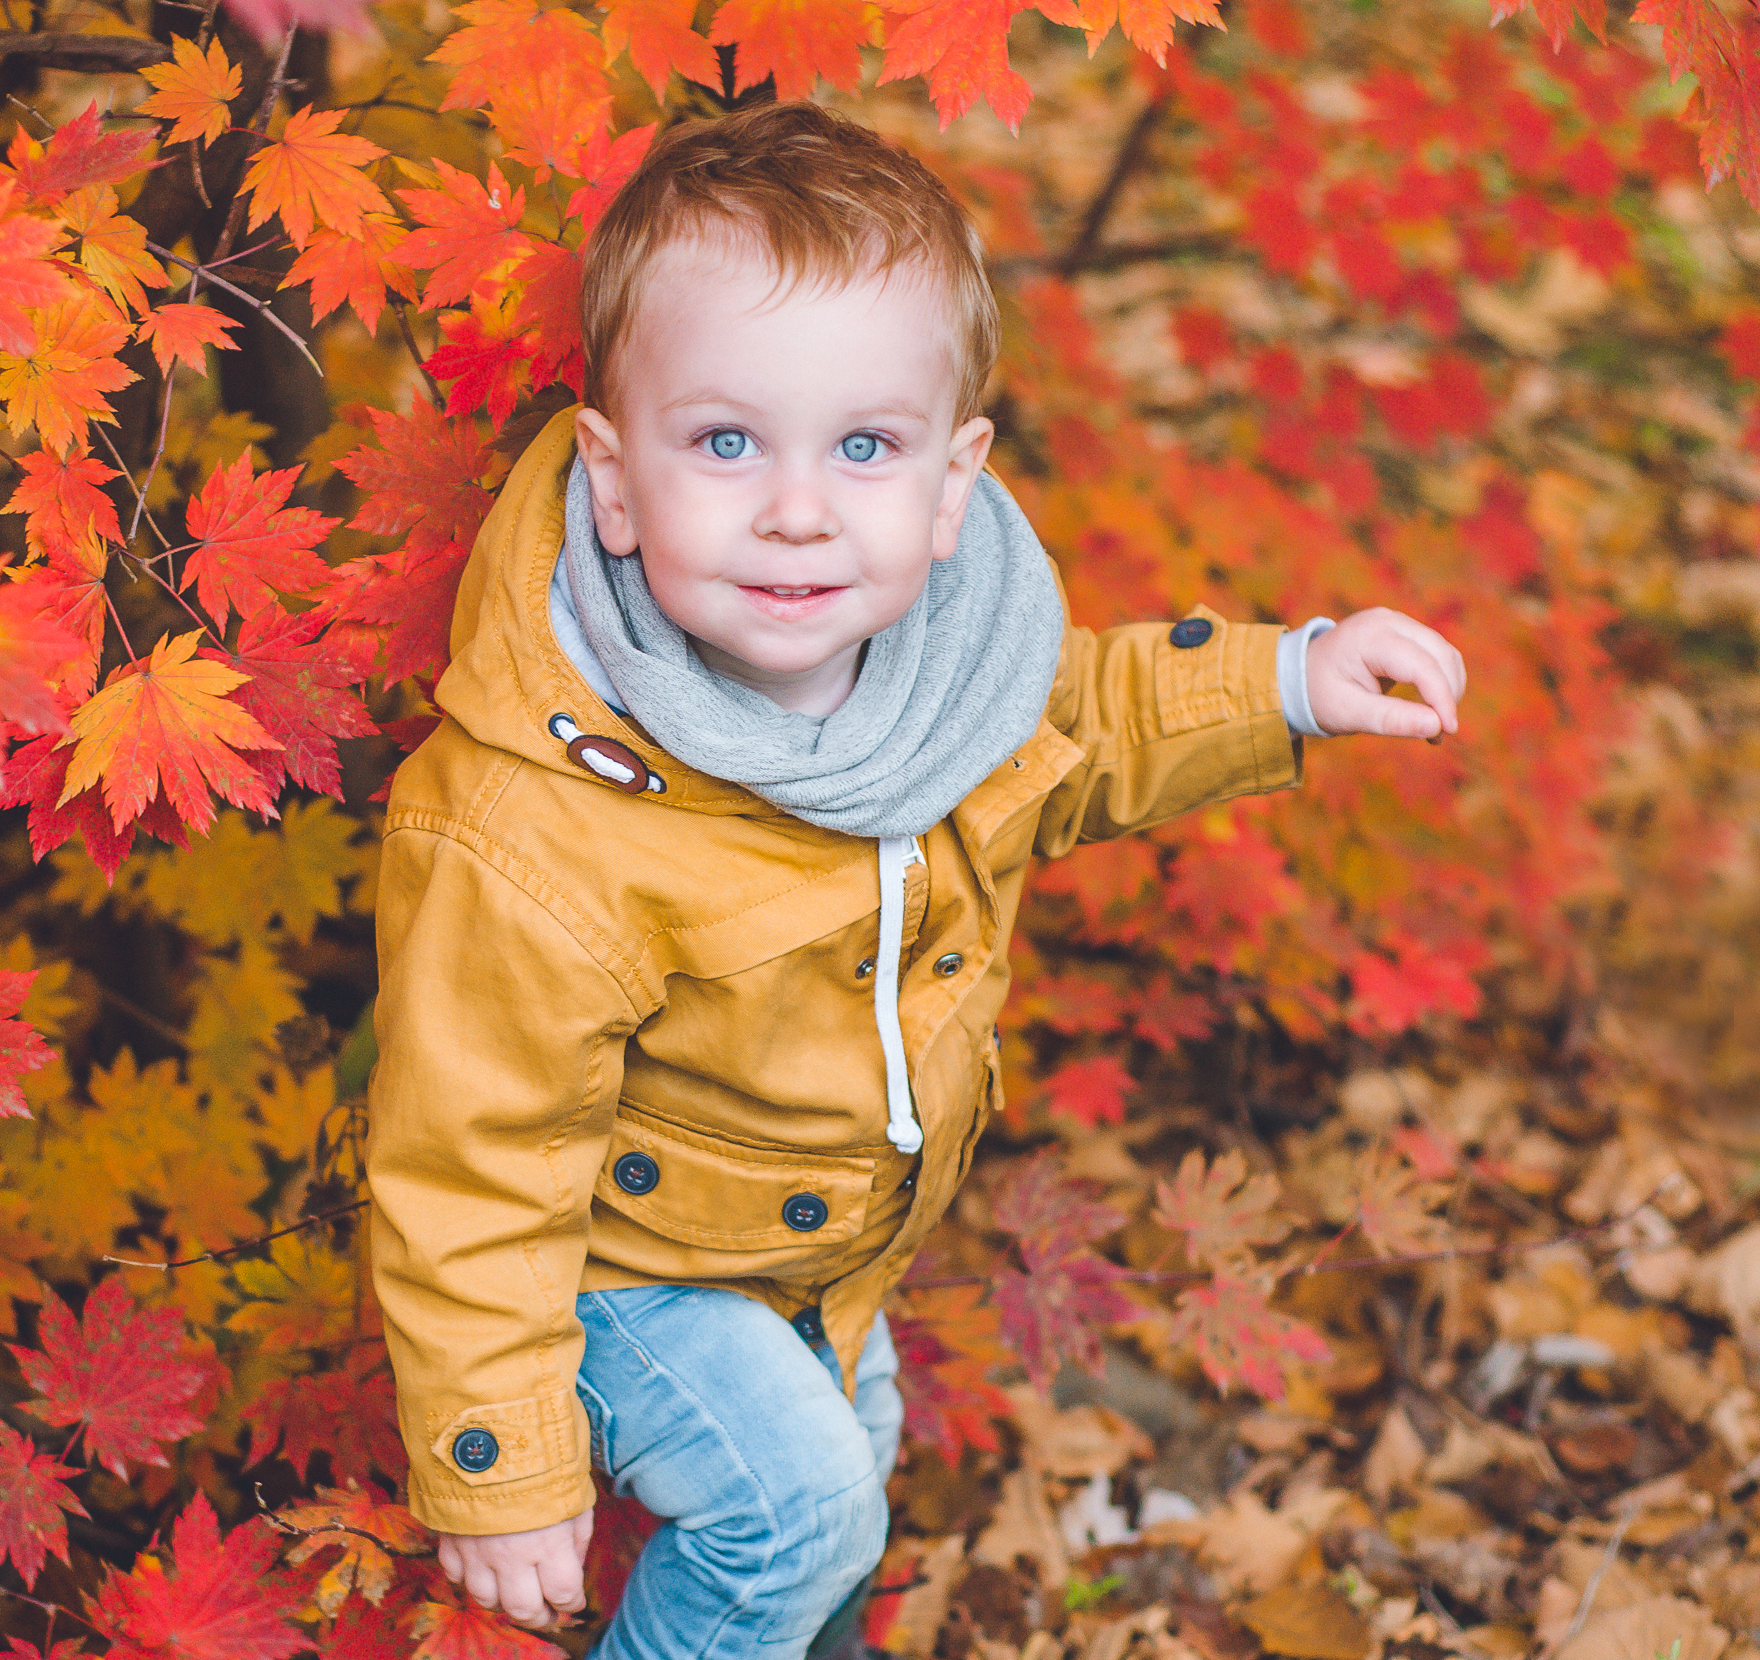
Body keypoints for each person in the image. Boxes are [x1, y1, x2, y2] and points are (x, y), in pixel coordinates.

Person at [364, 102, 1465, 1659]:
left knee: (845, 1488)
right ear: (614, 480)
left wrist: (1292, 676)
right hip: (620, 1262)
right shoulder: (545, 823)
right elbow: (467, 1159)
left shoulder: (940, 680)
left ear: (953, 488)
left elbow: (1079, 725)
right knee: (799, 1504)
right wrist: (499, 1464)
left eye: (864, 447)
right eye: (726, 441)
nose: (799, 507)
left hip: (824, 1247)